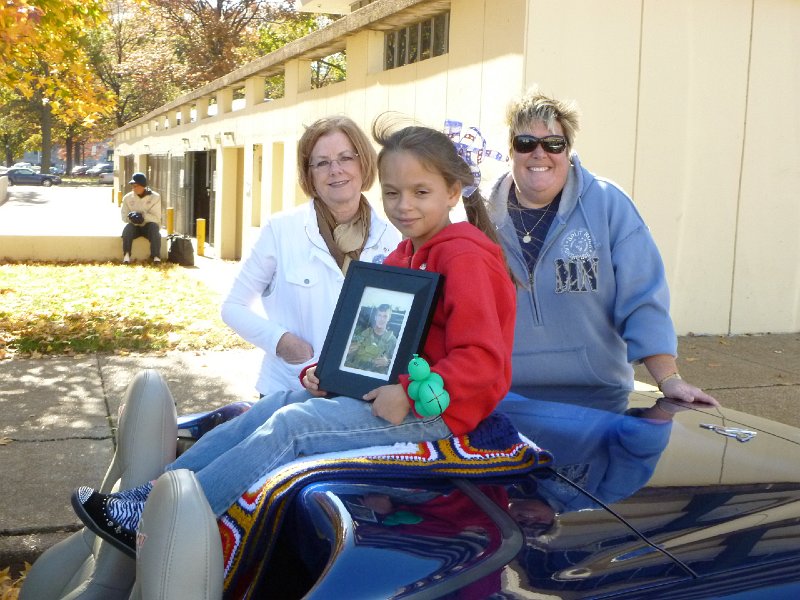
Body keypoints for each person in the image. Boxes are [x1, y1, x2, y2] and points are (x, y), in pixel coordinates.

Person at [70, 120, 517, 559]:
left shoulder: (464, 256)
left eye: (421, 193)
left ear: (453, 193)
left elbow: (482, 359)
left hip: (438, 413)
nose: (403, 206)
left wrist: (405, 392)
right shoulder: (408, 251)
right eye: (393, 193)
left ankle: (167, 523)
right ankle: (153, 494)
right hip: (388, 392)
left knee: (292, 427)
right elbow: (381, 339)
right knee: (276, 405)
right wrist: (331, 373)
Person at [487, 87, 717, 405]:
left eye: (553, 143)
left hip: (599, 399)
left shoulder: (610, 206)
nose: (539, 154)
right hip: (502, 401)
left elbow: (642, 299)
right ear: (511, 151)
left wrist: (669, 379)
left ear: (567, 150)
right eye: (525, 143)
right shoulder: (478, 218)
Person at [220, 116, 400, 398]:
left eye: (345, 158)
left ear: (363, 163)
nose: (335, 170)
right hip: (288, 389)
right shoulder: (281, 230)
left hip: (360, 397)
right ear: (310, 174)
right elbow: (233, 307)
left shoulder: (392, 237)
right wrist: (281, 341)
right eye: (322, 162)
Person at [120, 172, 162, 264]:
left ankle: (156, 257)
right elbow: (124, 216)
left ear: (143, 185)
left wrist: (143, 217)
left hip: (148, 226)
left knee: (155, 229)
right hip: (135, 226)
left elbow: (157, 218)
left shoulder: (155, 197)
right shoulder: (127, 198)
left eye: (136, 185)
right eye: (132, 186)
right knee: (127, 229)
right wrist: (131, 217)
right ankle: (126, 256)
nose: (133, 188)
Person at [344, 303, 397, 373]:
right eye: (379, 315)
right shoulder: (361, 334)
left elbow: (398, 363)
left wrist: (388, 362)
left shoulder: (393, 341)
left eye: (385, 316)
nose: (381, 319)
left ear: (389, 318)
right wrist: (346, 351)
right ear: (375, 317)